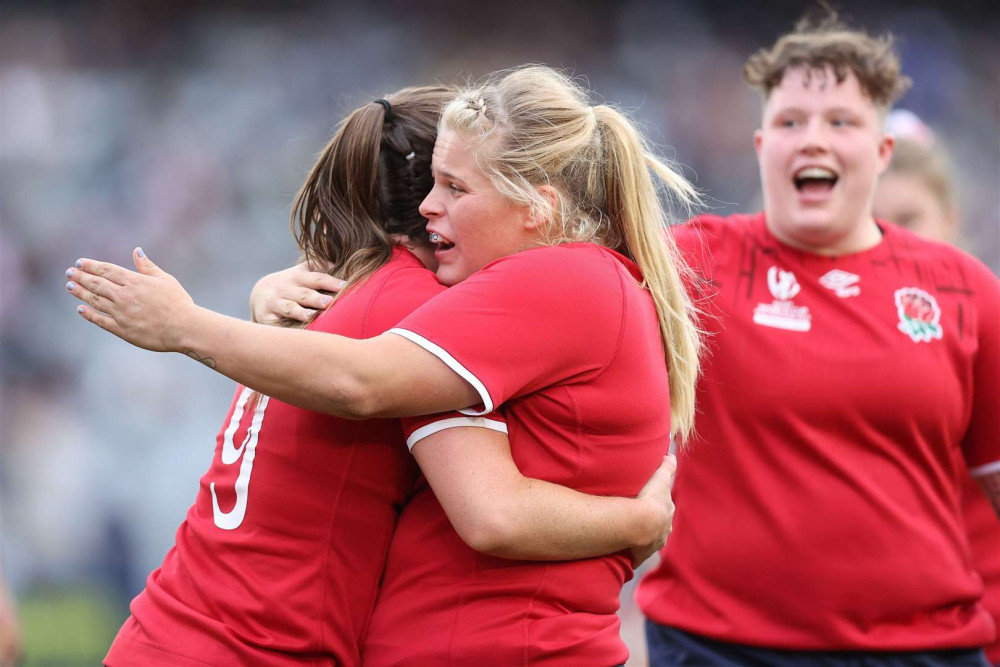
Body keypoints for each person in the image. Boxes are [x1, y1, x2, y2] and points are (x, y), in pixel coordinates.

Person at [67, 65, 702, 666]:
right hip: (252, 645)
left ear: (536, 204)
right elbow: (385, 402)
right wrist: (637, 520)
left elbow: (373, 391)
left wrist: (197, 323)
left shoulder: (376, 298)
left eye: (454, 187)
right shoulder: (424, 310)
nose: (433, 204)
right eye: (432, 184)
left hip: (203, 632)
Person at [631, 13, 1000, 666]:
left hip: (923, 650)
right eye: (791, 121)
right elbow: (559, 304)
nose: (813, 140)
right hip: (718, 648)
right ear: (760, 143)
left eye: (841, 122)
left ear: (881, 152)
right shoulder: (690, 263)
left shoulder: (964, 288)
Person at [873, 111, 1000, 667]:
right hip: (862, 639)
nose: (893, 237)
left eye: (909, 217)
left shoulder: (986, 327)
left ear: (950, 218)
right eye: (874, 221)